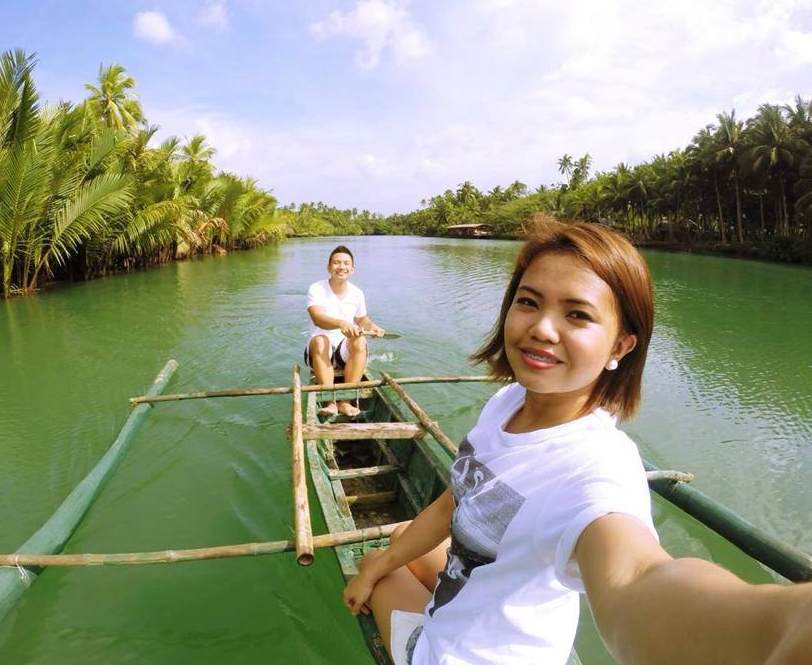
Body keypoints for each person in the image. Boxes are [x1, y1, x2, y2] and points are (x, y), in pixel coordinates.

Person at [342, 217, 812, 665]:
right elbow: (454, 503)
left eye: (577, 314)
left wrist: (777, 631)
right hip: (508, 624)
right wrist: (388, 559)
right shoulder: (507, 403)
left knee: (375, 569)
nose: (542, 329)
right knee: (402, 537)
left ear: (620, 347)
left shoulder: (597, 467)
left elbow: (636, 578)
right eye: (528, 302)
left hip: (459, 656)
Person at [306, 245, 385, 417]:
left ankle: (345, 402)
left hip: (343, 352)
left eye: (346, 263)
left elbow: (362, 319)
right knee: (320, 340)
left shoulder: (357, 293)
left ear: (352, 269)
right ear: (329, 267)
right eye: (336, 263)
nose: (341, 267)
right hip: (320, 351)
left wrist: (374, 327)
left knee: (359, 340)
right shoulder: (316, 288)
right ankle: (329, 402)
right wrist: (341, 323)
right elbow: (317, 318)